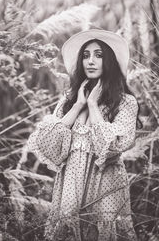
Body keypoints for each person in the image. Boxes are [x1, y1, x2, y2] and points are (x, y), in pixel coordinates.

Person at [26, 29, 141, 241]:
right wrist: (79, 104)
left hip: (106, 184)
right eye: (86, 55)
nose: (91, 61)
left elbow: (116, 143)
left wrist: (93, 105)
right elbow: (48, 143)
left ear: (110, 62)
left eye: (98, 55)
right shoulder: (69, 100)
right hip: (70, 184)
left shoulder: (125, 102)